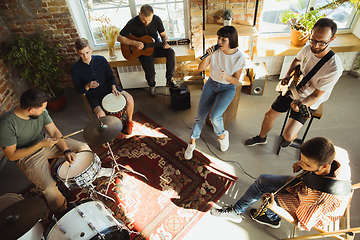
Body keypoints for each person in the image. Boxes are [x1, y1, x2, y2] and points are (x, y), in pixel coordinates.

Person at [211, 137, 351, 231]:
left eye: (306, 164)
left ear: (325, 167)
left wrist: (275, 207)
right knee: (262, 180)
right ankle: (236, 212)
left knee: (270, 197)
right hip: (305, 186)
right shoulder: (335, 153)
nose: (301, 164)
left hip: (307, 206)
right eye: (301, 159)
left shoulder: (318, 201)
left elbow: (300, 223)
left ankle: (272, 217)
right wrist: (303, 166)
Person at [245, 18, 343, 147]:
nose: (315, 45)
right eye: (313, 40)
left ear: (332, 39)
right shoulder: (307, 48)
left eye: (322, 42)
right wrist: (287, 75)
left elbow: (316, 95)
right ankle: (262, 138)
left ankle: (289, 138)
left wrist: (302, 104)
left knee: (288, 135)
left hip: (308, 100)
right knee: (269, 115)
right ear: (311, 33)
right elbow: (297, 60)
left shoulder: (334, 68)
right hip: (294, 88)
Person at [0, 89, 91, 212]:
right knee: (49, 188)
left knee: (83, 148)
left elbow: (53, 131)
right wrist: (40, 145)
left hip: (45, 142)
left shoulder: (39, 110)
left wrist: (66, 151)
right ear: (31, 110)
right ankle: (61, 211)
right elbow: (11, 156)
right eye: (42, 109)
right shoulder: (6, 124)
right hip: (27, 156)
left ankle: (83, 180)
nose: (44, 111)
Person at [184, 26, 245, 159]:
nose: (219, 42)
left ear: (232, 40)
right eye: (218, 38)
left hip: (227, 88)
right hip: (211, 84)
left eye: (223, 39)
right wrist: (208, 56)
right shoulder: (215, 51)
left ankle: (223, 136)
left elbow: (235, 81)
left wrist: (228, 77)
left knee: (215, 117)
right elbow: (200, 68)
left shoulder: (239, 57)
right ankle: (192, 143)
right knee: (200, 115)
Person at [72, 38, 135, 138]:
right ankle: (114, 132)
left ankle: (129, 122)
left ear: (91, 49)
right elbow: (79, 90)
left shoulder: (101, 60)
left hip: (108, 89)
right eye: (81, 54)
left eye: (87, 52)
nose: (85, 56)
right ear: (78, 53)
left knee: (130, 99)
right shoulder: (75, 68)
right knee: (101, 115)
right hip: (93, 96)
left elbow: (110, 76)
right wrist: (88, 86)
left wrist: (114, 88)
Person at [117, 4, 180, 97]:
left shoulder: (157, 20)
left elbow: (163, 35)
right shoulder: (133, 22)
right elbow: (119, 38)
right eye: (143, 20)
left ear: (152, 15)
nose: (146, 23)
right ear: (139, 14)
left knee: (171, 52)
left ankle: (170, 79)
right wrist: (134, 43)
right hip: (143, 52)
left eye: (149, 20)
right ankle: (152, 86)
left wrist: (166, 42)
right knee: (150, 74)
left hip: (156, 46)